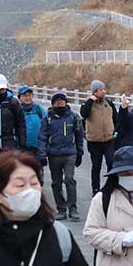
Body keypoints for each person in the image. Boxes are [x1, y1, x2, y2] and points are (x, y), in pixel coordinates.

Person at [38, 91, 85, 221]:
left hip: (70, 153)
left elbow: (79, 136)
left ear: (66, 102)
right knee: (56, 182)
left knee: (69, 179)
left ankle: (73, 208)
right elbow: (42, 138)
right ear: (53, 103)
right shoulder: (47, 119)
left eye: (62, 100)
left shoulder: (74, 117)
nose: (60, 103)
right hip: (53, 154)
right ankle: (61, 208)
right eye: (57, 101)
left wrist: (80, 152)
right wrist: (42, 154)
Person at [80, 79, 118, 194]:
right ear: (94, 92)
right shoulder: (87, 104)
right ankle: (95, 188)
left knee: (111, 162)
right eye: (100, 90)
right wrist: (91, 101)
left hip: (108, 140)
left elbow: (116, 118)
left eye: (103, 89)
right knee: (96, 166)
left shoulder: (109, 103)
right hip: (94, 141)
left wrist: (114, 131)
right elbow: (84, 114)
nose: (103, 92)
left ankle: (111, 186)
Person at [17, 86, 47, 163]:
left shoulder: (38, 109)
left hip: (37, 148)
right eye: (24, 95)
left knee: (37, 173)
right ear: (19, 97)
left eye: (29, 95)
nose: (27, 98)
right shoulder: (16, 110)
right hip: (21, 148)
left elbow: (47, 124)